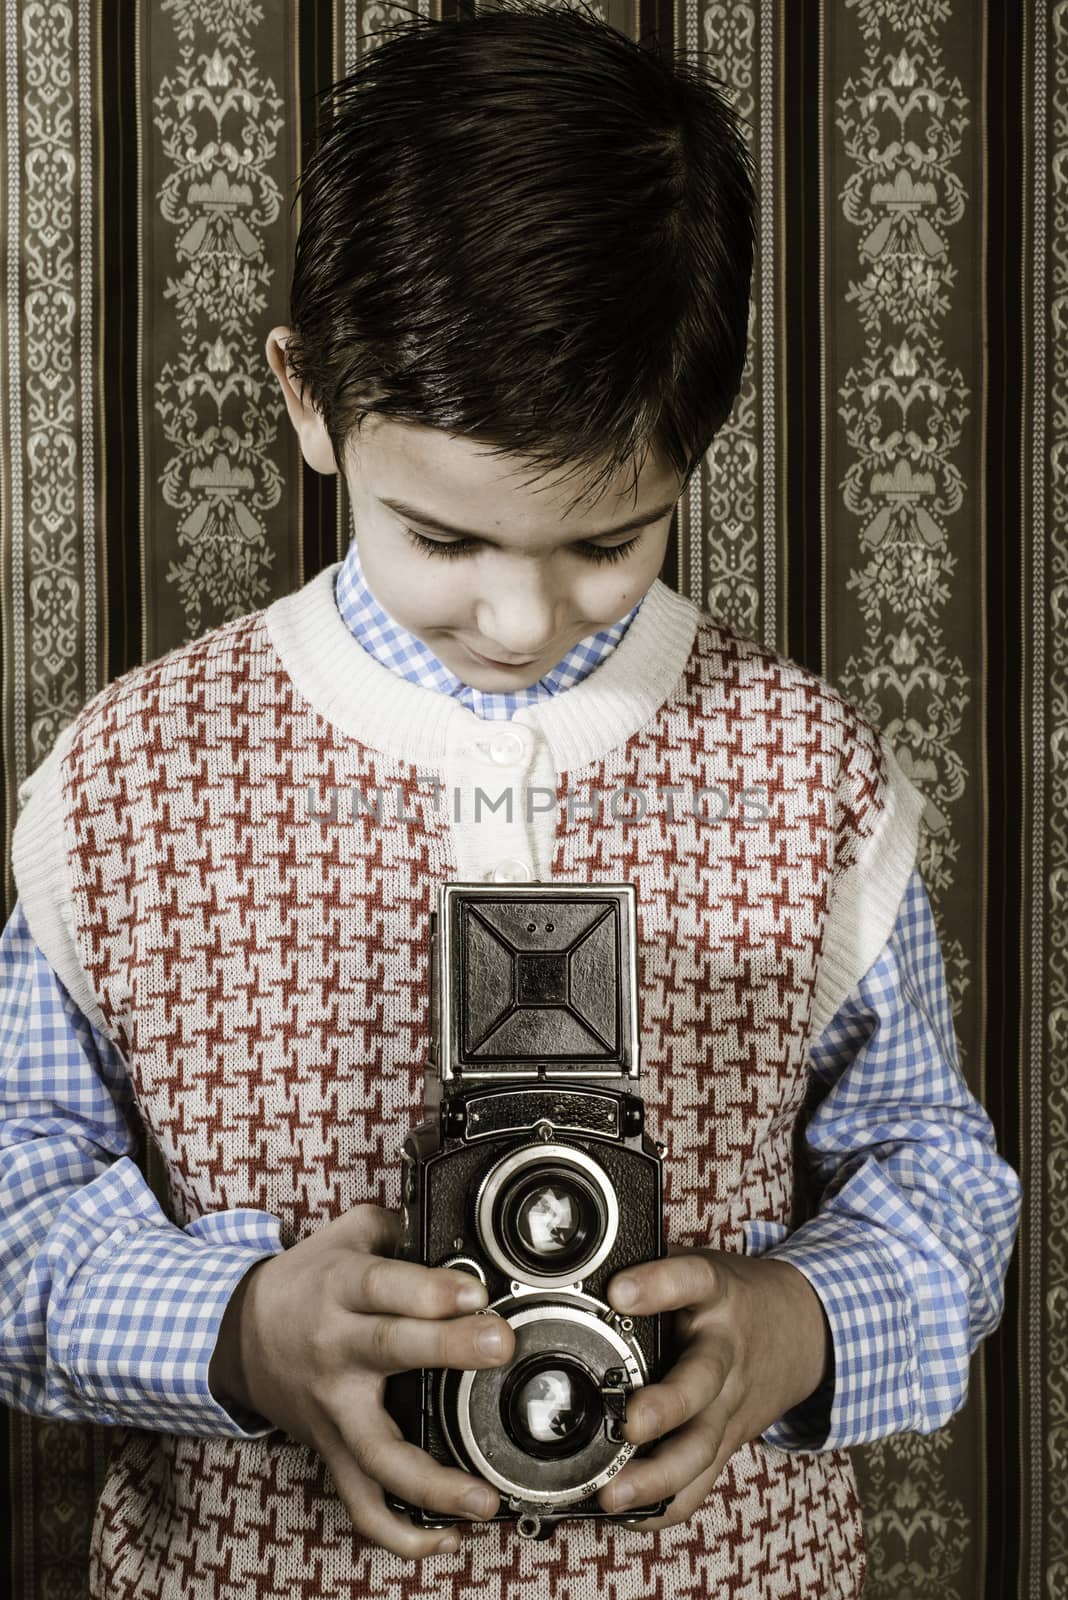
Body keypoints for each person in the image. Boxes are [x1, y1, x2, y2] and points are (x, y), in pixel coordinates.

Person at [0, 3, 1021, 1598]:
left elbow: (941, 1180)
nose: (526, 619)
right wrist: (241, 1331)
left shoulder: (810, 775)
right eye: (449, 542)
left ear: (697, 443)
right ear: (309, 399)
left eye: (609, 541)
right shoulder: (127, 783)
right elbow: (17, 1206)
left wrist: (801, 1321)